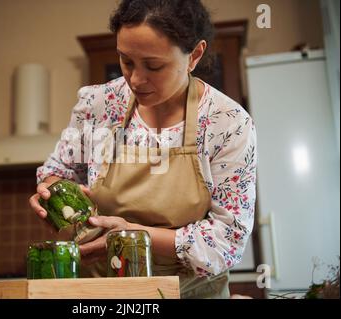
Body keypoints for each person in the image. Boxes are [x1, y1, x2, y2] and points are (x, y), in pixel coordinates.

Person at [29, 0, 257, 299]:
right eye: (126, 61)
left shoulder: (226, 124)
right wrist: (52, 194)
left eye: (154, 66)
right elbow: (57, 172)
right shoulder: (99, 105)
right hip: (102, 294)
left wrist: (133, 236)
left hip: (188, 292)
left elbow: (228, 239)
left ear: (194, 55)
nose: (135, 79)